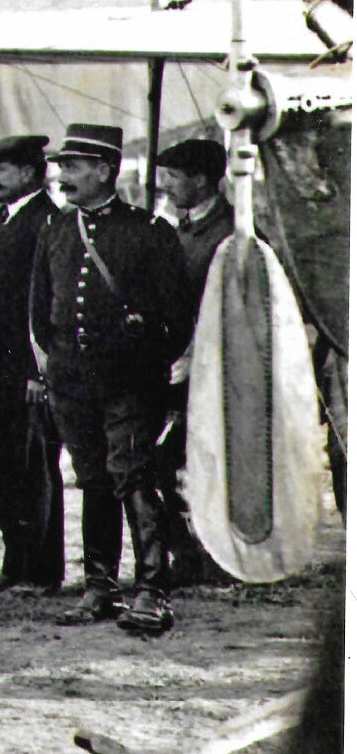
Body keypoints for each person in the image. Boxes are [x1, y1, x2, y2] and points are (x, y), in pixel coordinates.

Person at [31, 123, 192, 633]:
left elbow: (176, 318)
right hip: (72, 381)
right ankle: (100, 587)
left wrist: (140, 360)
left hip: (129, 383)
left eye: (72, 167)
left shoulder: (149, 232)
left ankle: (152, 590)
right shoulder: (56, 230)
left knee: (134, 476)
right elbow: (40, 310)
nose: (62, 177)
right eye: (61, 167)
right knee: (93, 479)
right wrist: (60, 363)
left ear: (104, 171)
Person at [0, 134, 66, 592]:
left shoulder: (47, 223)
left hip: (24, 373)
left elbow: (46, 304)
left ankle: (40, 570)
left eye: (0, 170)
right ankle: (16, 560)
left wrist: (37, 371)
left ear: (29, 172)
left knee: (32, 470)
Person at [153, 135, 235, 587]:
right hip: (177, 373)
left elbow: (234, 312)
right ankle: (189, 556)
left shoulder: (233, 235)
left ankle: (215, 560)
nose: (165, 186)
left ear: (201, 180)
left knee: (203, 466)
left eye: (173, 177)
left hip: (216, 375)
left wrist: (195, 356)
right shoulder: (181, 231)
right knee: (165, 464)